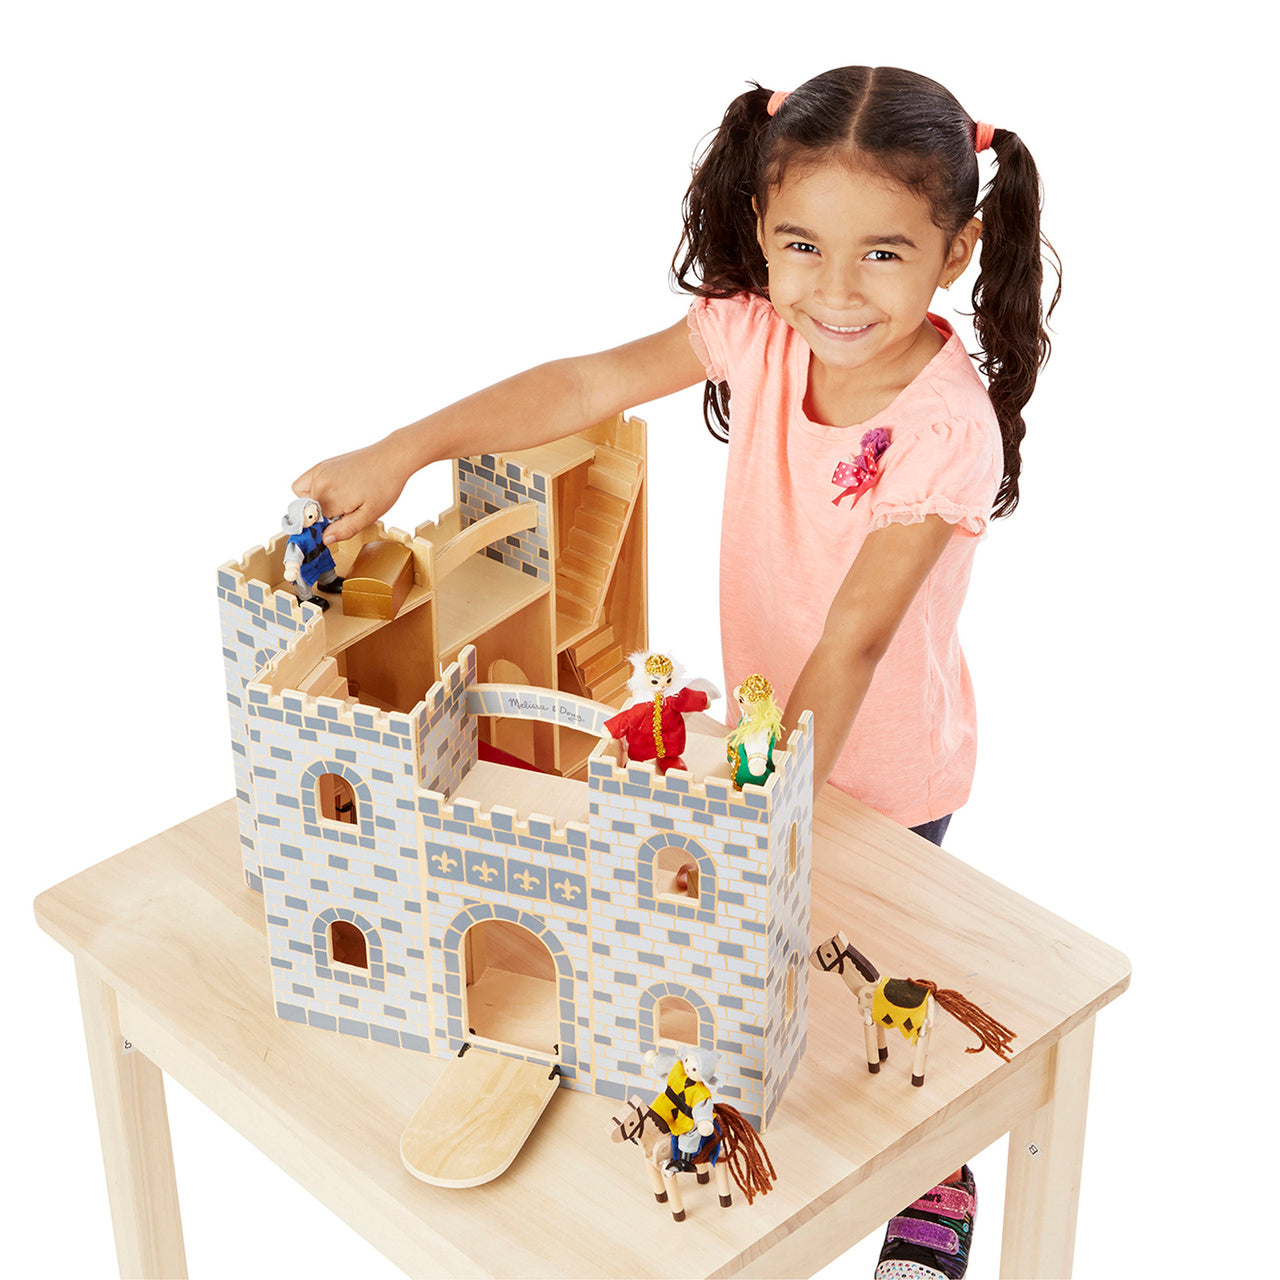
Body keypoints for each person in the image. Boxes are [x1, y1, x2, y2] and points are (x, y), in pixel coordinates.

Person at [293, 65, 1057, 1280]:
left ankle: (936, 1179)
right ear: (760, 223)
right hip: (762, 749)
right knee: (762, 979)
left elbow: (854, 637)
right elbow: (582, 385)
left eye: (882, 254)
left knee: (867, 984)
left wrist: (766, 808)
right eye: (802, 245)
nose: (834, 290)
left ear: (955, 251)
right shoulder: (754, 328)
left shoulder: (944, 425)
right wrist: (405, 447)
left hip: (880, 772)